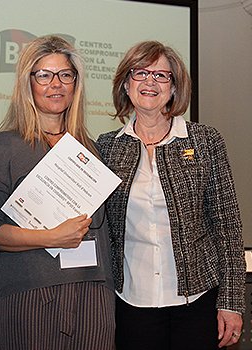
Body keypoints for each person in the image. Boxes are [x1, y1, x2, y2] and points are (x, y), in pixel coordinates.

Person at [98, 41, 244, 350]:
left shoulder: (205, 141)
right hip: (131, 302)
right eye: (140, 73)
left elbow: (228, 228)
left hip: (197, 303)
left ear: (174, 88)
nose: (150, 82)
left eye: (161, 75)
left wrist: (231, 302)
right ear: (126, 84)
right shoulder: (107, 147)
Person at [0, 36, 114, 349]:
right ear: (28, 83)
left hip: (93, 292)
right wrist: (50, 238)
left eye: (65, 75)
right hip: (30, 292)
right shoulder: (5, 147)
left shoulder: (91, 150)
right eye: (44, 75)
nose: (57, 84)